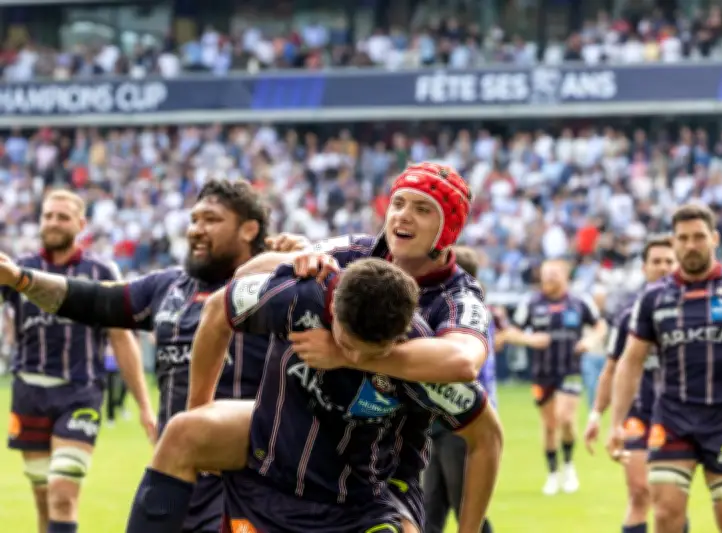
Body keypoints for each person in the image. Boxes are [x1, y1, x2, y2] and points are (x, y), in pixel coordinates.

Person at [126, 162, 500, 533]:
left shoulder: (456, 298)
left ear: (448, 228)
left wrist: (350, 355)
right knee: (185, 432)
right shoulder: (351, 252)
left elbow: (463, 360)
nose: (404, 216)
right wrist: (295, 260)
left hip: (377, 464)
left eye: (422, 209)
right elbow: (242, 281)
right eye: (399, 202)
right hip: (292, 420)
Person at [0, 179, 273, 533]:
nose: (197, 230)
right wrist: (21, 279)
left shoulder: (273, 290)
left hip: (240, 480)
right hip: (173, 474)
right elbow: (94, 299)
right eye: (194, 220)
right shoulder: (168, 287)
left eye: (211, 220)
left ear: (249, 228)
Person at [607, 203, 722, 533]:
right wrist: (616, 421)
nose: (691, 245)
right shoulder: (653, 298)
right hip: (672, 419)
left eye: (699, 237)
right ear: (674, 243)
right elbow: (630, 362)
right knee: (665, 517)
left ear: (715, 238)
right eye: (683, 238)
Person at [2, 189, 155, 533]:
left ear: (81, 224)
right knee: (44, 503)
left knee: (62, 493)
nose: (53, 223)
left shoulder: (101, 270)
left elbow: (121, 338)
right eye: (47, 216)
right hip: (29, 392)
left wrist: (145, 405)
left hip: (80, 394)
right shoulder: (18, 270)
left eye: (62, 217)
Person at [583, 235, 679, 533]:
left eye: (668, 261)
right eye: (656, 262)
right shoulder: (628, 316)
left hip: (679, 413)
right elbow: (611, 368)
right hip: (637, 413)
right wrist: (597, 415)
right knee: (639, 491)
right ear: (644, 267)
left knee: (671, 502)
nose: (663, 267)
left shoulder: (690, 310)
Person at [501, 258, 606, 495]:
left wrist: (590, 340)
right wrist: (530, 339)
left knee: (565, 418)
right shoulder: (531, 303)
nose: (548, 278)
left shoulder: (579, 301)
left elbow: (600, 326)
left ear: (565, 276)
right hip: (542, 373)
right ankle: (552, 473)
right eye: (545, 274)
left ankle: (569, 466)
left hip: (570, 370)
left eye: (554, 274)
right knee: (549, 426)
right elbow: (510, 332)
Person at [421, 245, 497, 533]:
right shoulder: (459, 312)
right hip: (438, 419)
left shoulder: (465, 317)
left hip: (461, 418)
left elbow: (469, 370)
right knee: (430, 508)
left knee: (465, 505)